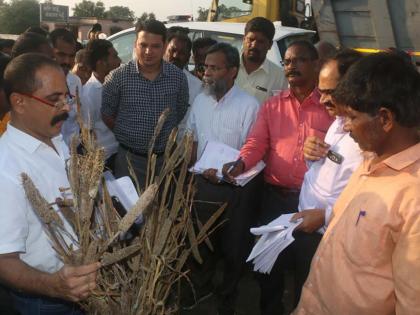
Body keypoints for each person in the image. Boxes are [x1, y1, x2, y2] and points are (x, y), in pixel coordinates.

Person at [294, 52, 420, 315]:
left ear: (385, 119)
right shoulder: (371, 160)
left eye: (352, 117)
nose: (346, 126)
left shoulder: (413, 199)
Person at [222, 40, 333, 315]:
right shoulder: (273, 105)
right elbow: (256, 143)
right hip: (274, 200)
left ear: (316, 64)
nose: (291, 66)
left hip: (310, 204)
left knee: (306, 271)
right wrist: (240, 162)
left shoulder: (331, 108)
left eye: (299, 60)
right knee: (270, 269)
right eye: (287, 62)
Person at [258, 49, 364, 314]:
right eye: (321, 90)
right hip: (304, 226)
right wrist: (311, 157)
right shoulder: (338, 123)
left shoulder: (367, 137)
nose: (323, 98)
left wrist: (326, 216)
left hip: (329, 235)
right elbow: (325, 173)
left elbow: (365, 197)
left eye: (330, 91)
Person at [0, 53, 100, 315]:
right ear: (19, 102)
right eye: (54, 100)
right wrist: (55, 286)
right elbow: (3, 260)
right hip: (45, 302)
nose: (66, 108)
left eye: (66, 97)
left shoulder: (56, 138)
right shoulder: (5, 169)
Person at [184, 42, 260, 314]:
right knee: (200, 244)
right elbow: (190, 138)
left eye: (215, 68)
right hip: (202, 185)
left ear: (232, 72)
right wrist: (190, 172)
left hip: (233, 190)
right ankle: (200, 290)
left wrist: (229, 174)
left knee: (232, 248)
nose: (207, 73)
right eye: (206, 67)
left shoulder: (249, 105)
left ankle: (227, 296)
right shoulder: (201, 100)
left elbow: (254, 152)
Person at [101, 19, 188, 188]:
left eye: (155, 46)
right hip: (128, 160)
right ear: (135, 45)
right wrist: (128, 134)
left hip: (165, 161)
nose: (149, 51)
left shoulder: (177, 77)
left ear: (164, 47)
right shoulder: (117, 77)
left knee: (162, 211)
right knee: (128, 212)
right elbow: (107, 114)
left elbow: (180, 110)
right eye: (143, 45)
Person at [82, 39, 121, 170]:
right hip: (105, 159)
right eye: (115, 56)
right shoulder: (88, 93)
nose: (119, 61)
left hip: (121, 152)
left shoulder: (117, 84)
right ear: (101, 63)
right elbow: (87, 132)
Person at [236, 17, 288, 104]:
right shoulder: (227, 67)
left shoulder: (280, 77)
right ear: (244, 39)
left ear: (270, 45)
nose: (254, 45)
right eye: (251, 39)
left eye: (261, 41)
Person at [50, 28, 82, 146]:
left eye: (71, 56)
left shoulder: (75, 81)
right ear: (50, 52)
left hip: (72, 153)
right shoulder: (38, 84)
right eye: (61, 55)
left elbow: (79, 118)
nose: (67, 61)